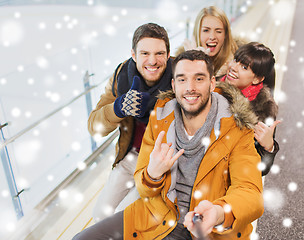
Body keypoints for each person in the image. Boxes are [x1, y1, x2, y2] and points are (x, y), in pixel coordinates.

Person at [73, 50, 263, 240]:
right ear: (173, 84)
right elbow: (143, 185)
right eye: (182, 79)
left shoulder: (237, 128)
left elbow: (250, 193)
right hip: (157, 216)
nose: (190, 88)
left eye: (199, 79)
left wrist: (219, 212)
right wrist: (152, 175)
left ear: (212, 83)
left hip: (204, 229)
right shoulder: (161, 117)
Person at [88, 23, 173, 222]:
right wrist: (118, 108)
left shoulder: (179, 76)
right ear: (134, 55)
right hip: (130, 159)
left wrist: (157, 107)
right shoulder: (121, 76)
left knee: (124, 221)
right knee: (99, 215)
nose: (152, 61)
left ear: (168, 55)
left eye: (159, 53)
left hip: (161, 165)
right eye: (145, 53)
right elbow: (95, 128)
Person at [219, 42, 280, 176]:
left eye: (244, 67)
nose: (233, 67)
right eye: (235, 60)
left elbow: (260, 169)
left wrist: (268, 147)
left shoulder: (264, 109)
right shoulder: (213, 85)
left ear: (257, 79)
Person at [176, 6, 240, 77]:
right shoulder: (180, 64)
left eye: (218, 31)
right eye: (206, 30)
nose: (212, 37)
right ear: (198, 33)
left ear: (225, 35)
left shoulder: (238, 67)